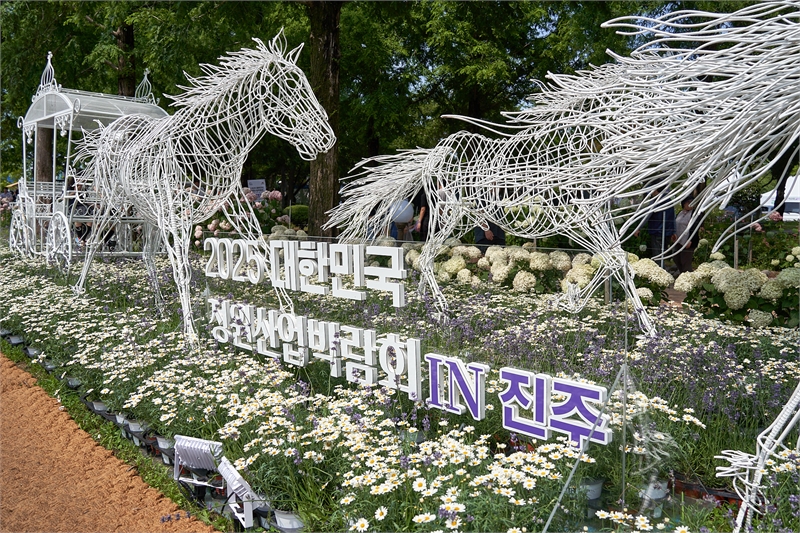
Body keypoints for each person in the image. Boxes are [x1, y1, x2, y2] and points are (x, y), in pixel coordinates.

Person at [646, 194, 677, 266]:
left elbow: (647, 215)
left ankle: (660, 271)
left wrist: (639, 227)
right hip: (667, 232)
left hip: (656, 231)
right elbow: (673, 216)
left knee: (657, 256)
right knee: (662, 255)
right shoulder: (669, 200)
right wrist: (673, 231)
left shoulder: (656, 201)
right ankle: (662, 269)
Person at [674, 198, 700, 274]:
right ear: (683, 203)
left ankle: (688, 276)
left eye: (692, 202)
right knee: (676, 258)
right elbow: (676, 223)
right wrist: (673, 234)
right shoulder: (680, 213)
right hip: (678, 240)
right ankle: (681, 274)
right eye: (688, 202)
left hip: (688, 241)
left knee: (685, 261)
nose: (690, 204)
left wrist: (690, 240)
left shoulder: (695, 214)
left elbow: (695, 228)